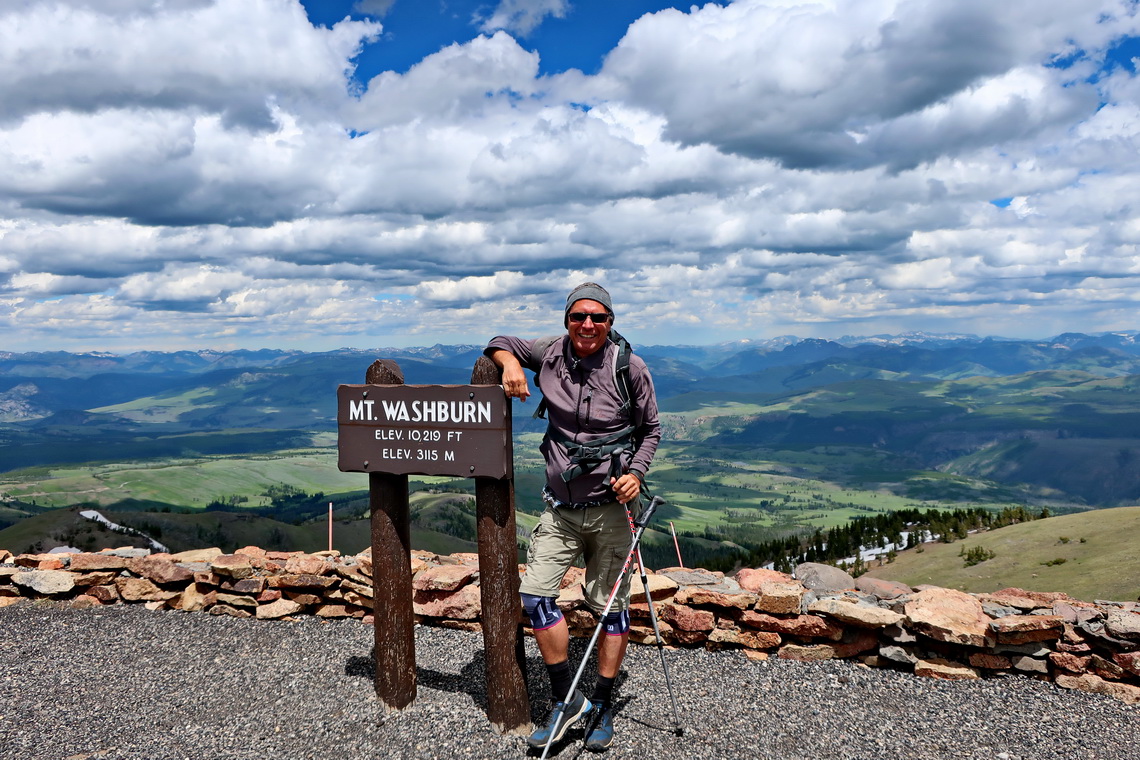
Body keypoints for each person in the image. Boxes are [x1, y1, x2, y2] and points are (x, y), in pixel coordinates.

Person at [485, 282, 661, 752]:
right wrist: (508, 365)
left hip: (613, 509)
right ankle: (569, 700)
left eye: (598, 318)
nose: (587, 324)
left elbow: (651, 430)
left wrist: (637, 474)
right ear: (566, 319)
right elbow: (500, 341)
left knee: (610, 608)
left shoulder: (630, 368)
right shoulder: (551, 352)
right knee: (536, 597)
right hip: (560, 507)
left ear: (611, 321)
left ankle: (602, 703)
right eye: (578, 316)